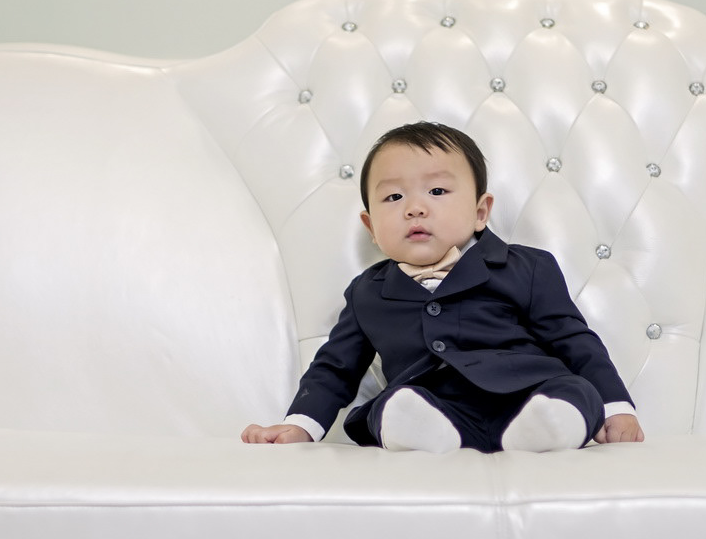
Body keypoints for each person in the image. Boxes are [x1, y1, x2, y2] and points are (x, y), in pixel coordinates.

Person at [242, 122, 644, 452]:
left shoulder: (527, 267)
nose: (415, 208)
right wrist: (300, 424)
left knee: (572, 391)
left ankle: (548, 427)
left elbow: (574, 340)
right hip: (433, 403)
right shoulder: (367, 292)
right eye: (393, 196)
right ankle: (422, 432)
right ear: (371, 228)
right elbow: (335, 368)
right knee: (389, 406)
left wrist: (616, 407)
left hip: (526, 392)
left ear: (480, 212)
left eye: (437, 191)